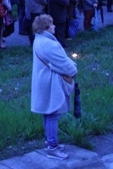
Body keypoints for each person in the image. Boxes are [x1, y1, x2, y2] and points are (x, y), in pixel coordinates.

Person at [30, 14, 77, 160]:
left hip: (44, 81)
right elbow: (63, 63)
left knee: (48, 112)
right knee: (53, 113)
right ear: (45, 28)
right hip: (51, 83)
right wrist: (74, 69)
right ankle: (52, 147)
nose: (54, 26)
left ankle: (49, 142)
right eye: (51, 24)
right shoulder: (48, 44)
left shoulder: (39, 39)